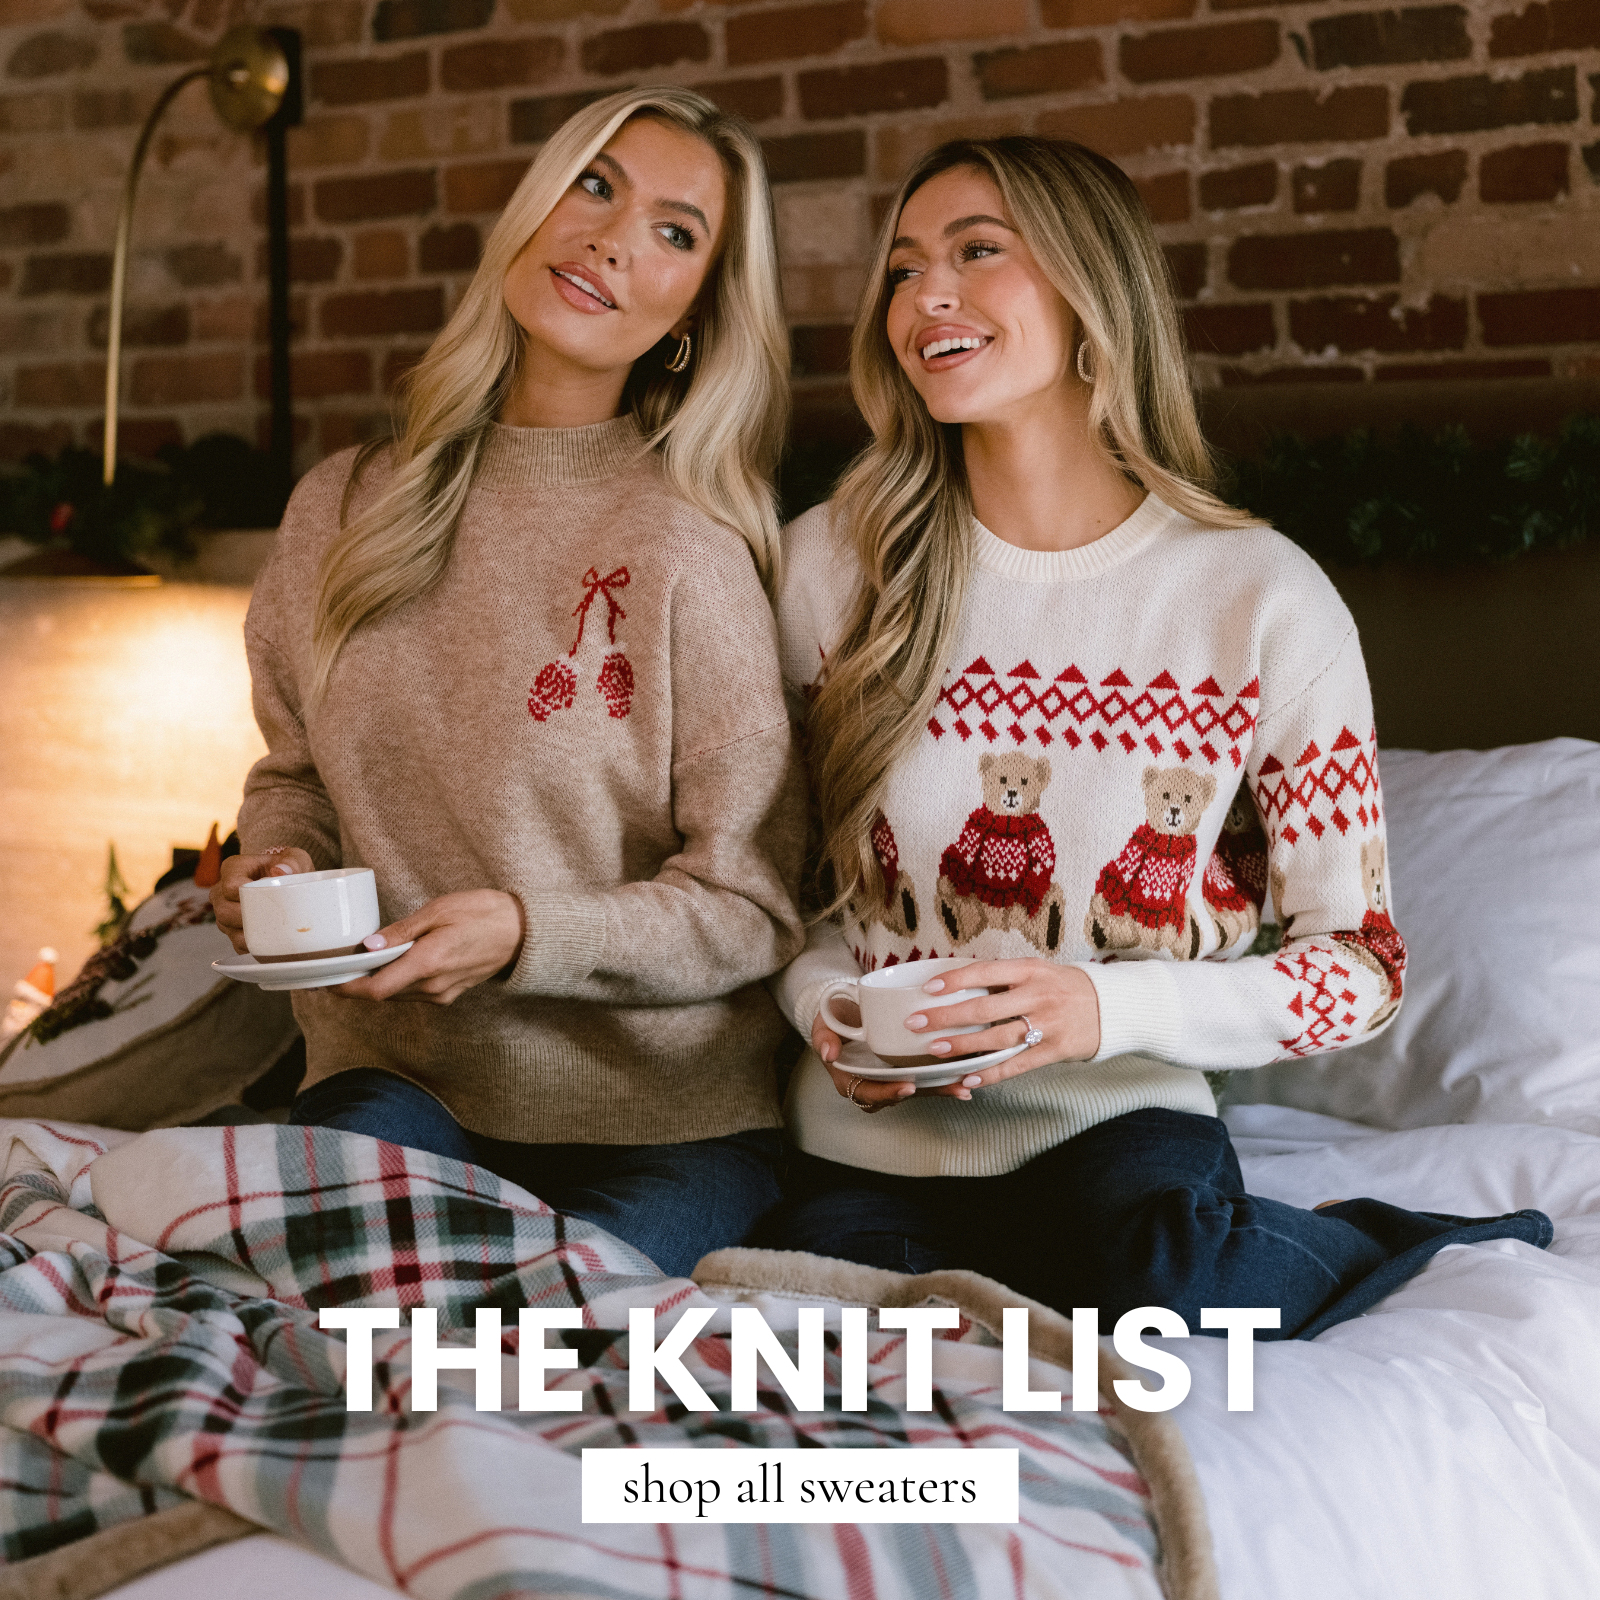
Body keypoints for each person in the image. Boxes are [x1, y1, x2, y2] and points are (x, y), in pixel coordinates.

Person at [765, 136, 1549, 1339]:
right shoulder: (832, 565)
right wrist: (828, 1012)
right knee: (840, 1348)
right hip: (866, 1145)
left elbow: (1360, 971)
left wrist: (1099, 1010)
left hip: (1119, 1135)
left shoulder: (1259, 600)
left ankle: (1369, 1238)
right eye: (903, 269)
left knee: (1164, 1303)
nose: (926, 297)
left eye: (979, 253)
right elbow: (785, 897)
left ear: (1095, 295)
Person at [213, 88, 806, 1279]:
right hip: (398, 1080)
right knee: (340, 1312)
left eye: (674, 232)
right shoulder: (342, 504)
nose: (610, 239)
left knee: (540, 1346)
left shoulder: (689, 548)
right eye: (594, 185)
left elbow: (752, 909)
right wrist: (276, 862)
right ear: (535, 211)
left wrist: (528, 932)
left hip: (668, 1123)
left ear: (693, 310)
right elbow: (294, 775)